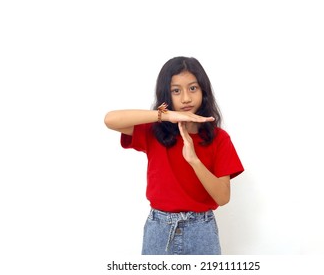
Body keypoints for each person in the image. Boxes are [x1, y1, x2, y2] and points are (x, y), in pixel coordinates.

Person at [104, 56, 244, 255]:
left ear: (204, 90)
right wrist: (165, 115)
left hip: (202, 229)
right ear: (166, 95)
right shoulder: (154, 131)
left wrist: (194, 160)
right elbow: (110, 120)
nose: (186, 98)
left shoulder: (219, 139)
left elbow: (222, 198)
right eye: (176, 90)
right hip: (159, 228)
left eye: (193, 88)